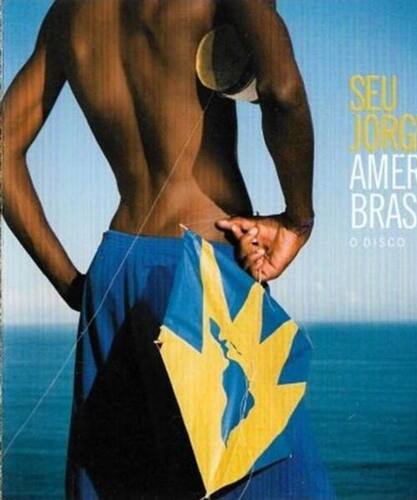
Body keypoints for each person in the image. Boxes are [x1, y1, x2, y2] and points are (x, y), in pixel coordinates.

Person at [2, 0, 332, 498]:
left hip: (115, 274)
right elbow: (283, 91)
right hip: (206, 266)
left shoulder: (68, 12)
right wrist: (297, 219)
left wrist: (74, 286)